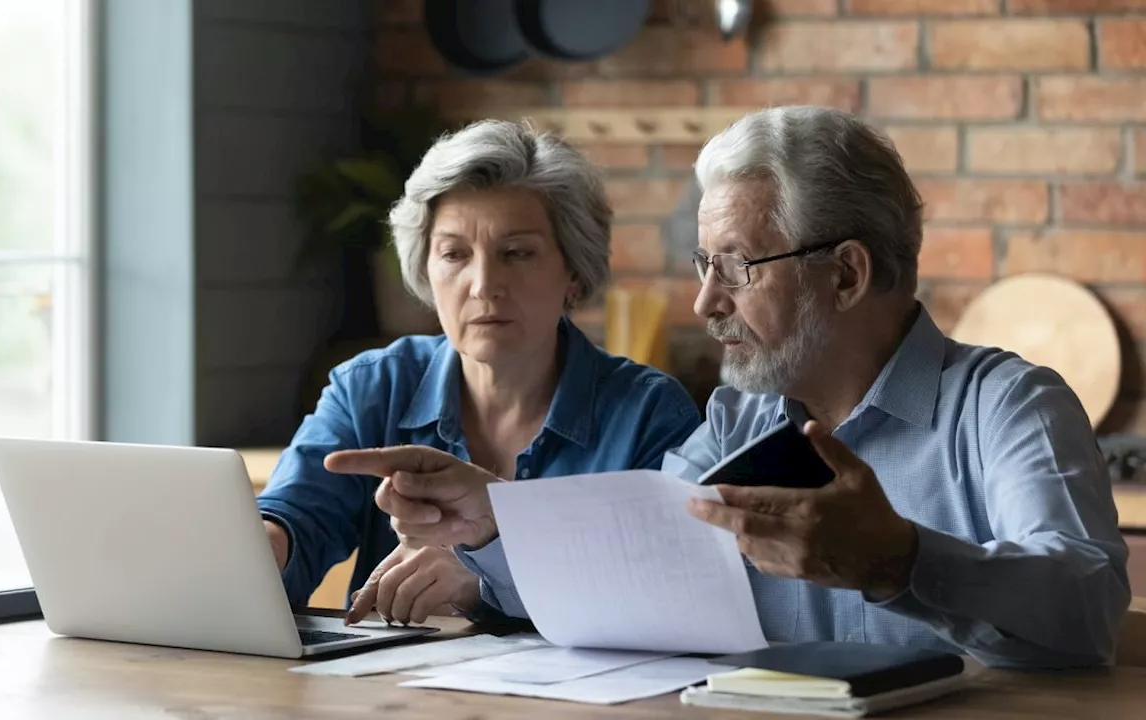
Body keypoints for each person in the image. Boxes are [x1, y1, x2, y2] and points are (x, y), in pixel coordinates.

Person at [327, 106, 1131, 669]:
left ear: (846, 274)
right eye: (703, 267)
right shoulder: (734, 420)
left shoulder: (1007, 405)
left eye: (737, 268)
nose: (708, 303)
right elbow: (632, 568)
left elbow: (1088, 608)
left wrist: (899, 559)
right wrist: (495, 522)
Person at [257, 119, 701, 626]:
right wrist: (263, 550)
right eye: (454, 254)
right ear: (426, 270)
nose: (484, 284)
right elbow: (297, 517)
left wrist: (489, 582)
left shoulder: (648, 414)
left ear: (574, 274)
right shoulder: (372, 387)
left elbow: (666, 592)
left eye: (517, 253)